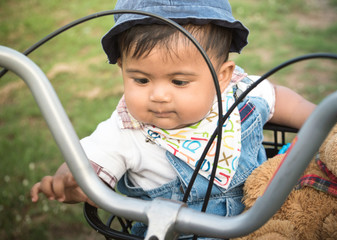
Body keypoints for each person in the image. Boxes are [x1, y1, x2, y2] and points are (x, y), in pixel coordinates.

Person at [31, 0, 316, 238]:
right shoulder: (126, 130)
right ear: (122, 68)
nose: (159, 95)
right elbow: (87, 163)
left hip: (264, 224)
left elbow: (277, 97)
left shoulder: (239, 91)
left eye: (179, 82)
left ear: (222, 75)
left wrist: (320, 119)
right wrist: (70, 181)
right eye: (141, 79)